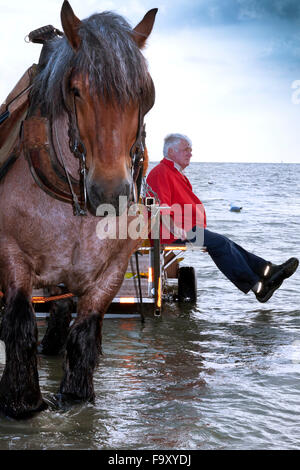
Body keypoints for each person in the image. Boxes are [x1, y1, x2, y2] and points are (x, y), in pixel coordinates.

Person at [146, 133, 298, 303]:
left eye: (191, 149)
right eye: (186, 149)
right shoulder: (161, 172)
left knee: (225, 242)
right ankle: (258, 287)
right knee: (220, 244)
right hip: (170, 232)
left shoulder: (175, 172)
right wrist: (174, 228)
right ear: (171, 151)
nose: (190, 153)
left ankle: (267, 271)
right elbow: (159, 207)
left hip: (184, 229)